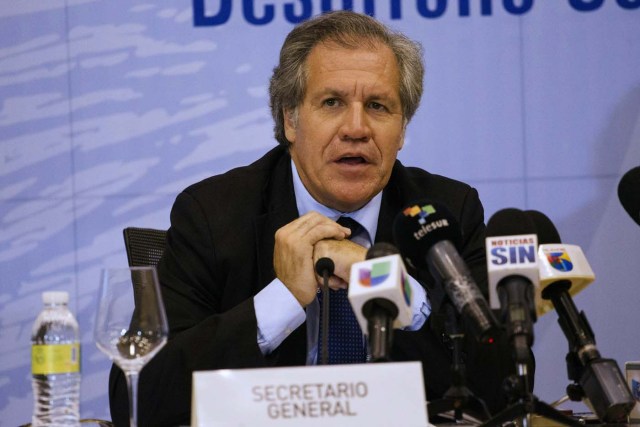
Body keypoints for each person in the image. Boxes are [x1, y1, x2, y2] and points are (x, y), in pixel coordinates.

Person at [110, 10, 516, 426]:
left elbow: (509, 385)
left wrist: (389, 286)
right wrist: (283, 299)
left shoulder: (443, 214)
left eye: (378, 106)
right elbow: (135, 396)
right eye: (332, 102)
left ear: (402, 128)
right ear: (291, 118)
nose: (356, 128)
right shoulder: (214, 214)